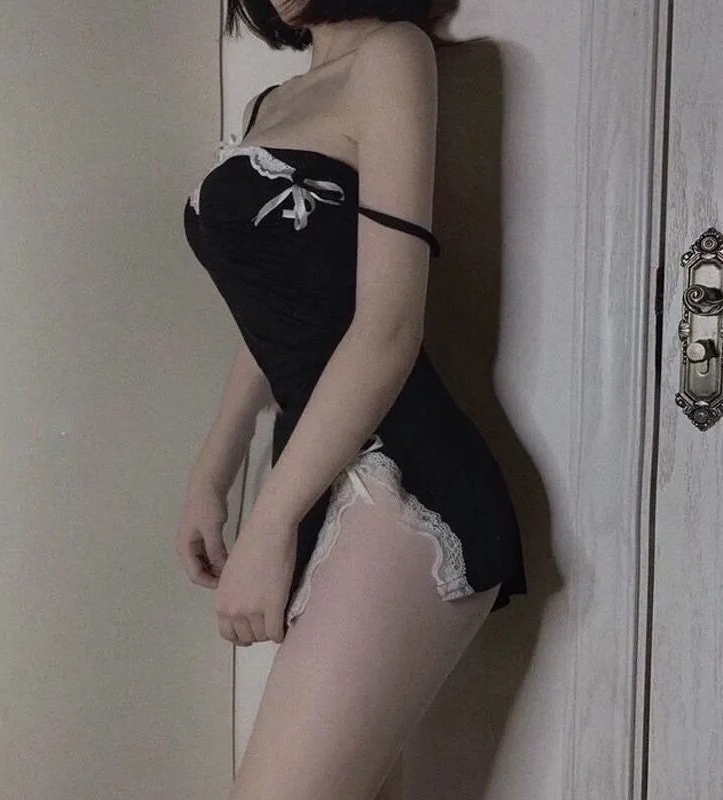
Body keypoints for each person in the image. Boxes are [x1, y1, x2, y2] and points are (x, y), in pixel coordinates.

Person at [178, 2, 527, 798]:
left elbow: (389, 326)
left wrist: (269, 524)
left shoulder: (394, 54)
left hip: (403, 472)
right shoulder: (268, 104)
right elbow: (279, 309)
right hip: (318, 469)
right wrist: (213, 470)